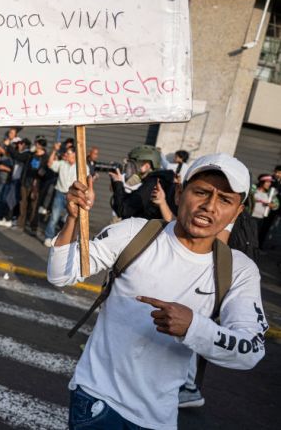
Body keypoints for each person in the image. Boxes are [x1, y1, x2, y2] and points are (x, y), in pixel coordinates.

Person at [49, 153, 267, 429]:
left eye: (225, 200)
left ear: (237, 212)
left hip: (159, 418)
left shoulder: (238, 269)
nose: (209, 206)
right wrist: (72, 220)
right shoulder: (134, 233)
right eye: (201, 192)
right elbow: (60, 274)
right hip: (98, 400)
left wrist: (193, 327)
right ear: (179, 193)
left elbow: (250, 351)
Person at [109, 145, 177, 221]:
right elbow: (129, 202)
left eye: (132, 163)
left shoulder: (152, 184)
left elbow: (123, 211)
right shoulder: (155, 180)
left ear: (146, 166)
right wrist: (117, 182)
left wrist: (118, 183)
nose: (129, 167)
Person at [43, 143, 77, 247]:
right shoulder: (62, 163)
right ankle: (49, 237)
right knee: (54, 217)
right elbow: (50, 164)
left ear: (75, 154)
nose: (66, 154)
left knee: (70, 218)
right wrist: (54, 150)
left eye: (69, 153)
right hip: (60, 193)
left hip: (72, 197)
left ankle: (67, 239)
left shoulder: (81, 167)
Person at [15, 136, 48, 232]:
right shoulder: (31, 155)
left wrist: (42, 173)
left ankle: (33, 226)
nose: (36, 145)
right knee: (23, 203)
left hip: (36, 185)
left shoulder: (45, 158)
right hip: (26, 182)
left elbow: (47, 172)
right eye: (36, 143)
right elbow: (19, 157)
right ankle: (20, 224)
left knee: (34, 206)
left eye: (38, 143)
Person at [250, 174, 279, 246]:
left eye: (270, 182)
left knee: (255, 236)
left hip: (260, 218)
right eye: (267, 182)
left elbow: (276, 205)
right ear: (262, 182)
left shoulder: (270, 194)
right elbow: (249, 196)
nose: (269, 184)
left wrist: (271, 205)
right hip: (250, 216)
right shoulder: (254, 189)